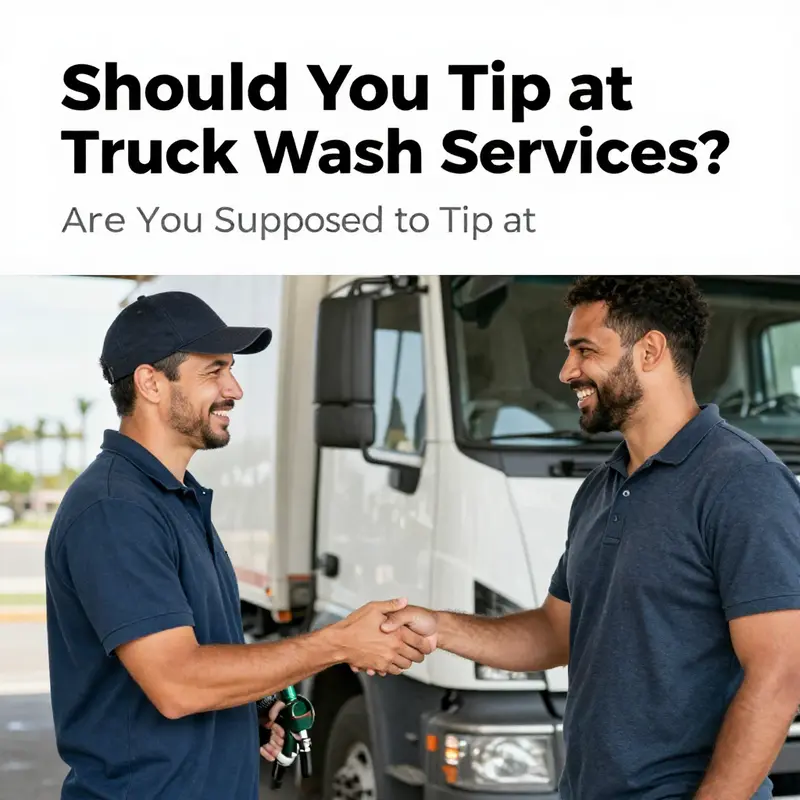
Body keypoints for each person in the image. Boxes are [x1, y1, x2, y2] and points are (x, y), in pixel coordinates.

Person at [380, 276, 800, 800]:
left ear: (650, 350)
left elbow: (780, 675)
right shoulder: (602, 486)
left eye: (585, 350)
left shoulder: (743, 481)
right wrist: (437, 626)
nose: (566, 371)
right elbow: (556, 634)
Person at [44, 291, 434, 800]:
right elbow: (178, 684)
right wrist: (336, 643)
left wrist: (250, 706)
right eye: (214, 371)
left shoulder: (172, 499)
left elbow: (196, 655)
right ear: (150, 382)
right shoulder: (115, 509)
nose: (235, 389)